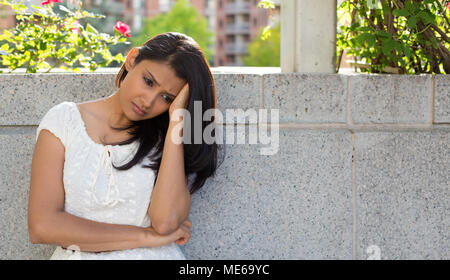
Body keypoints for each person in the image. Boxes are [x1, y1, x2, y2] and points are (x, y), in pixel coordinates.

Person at [28, 32, 220, 260]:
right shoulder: (64, 122)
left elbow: (166, 223)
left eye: (167, 97)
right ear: (131, 59)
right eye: (148, 81)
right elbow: (42, 226)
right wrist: (146, 237)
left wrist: (176, 122)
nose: (149, 102)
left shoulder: (166, 140)